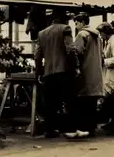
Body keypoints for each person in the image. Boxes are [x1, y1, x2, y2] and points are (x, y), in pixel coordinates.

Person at [34, 9, 80, 138]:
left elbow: (37, 56)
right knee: (69, 100)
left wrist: (39, 72)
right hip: (63, 71)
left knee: (50, 103)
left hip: (48, 73)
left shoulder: (42, 33)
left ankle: (50, 130)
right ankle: (70, 129)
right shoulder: (65, 29)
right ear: (64, 19)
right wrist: (75, 66)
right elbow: (70, 49)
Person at [69, 13, 104, 139]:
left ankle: (83, 128)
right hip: (96, 72)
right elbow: (102, 54)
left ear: (83, 22)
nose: (76, 26)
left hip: (85, 71)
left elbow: (76, 52)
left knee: (82, 101)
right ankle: (92, 128)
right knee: (92, 102)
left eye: (77, 23)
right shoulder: (98, 36)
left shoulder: (82, 34)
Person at [96, 22, 114, 132]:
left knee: (113, 96)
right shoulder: (109, 42)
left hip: (113, 72)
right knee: (109, 95)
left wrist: (104, 61)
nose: (101, 35)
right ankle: (112, 122)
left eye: (101, 33)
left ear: (105, 32)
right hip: (109, 71)